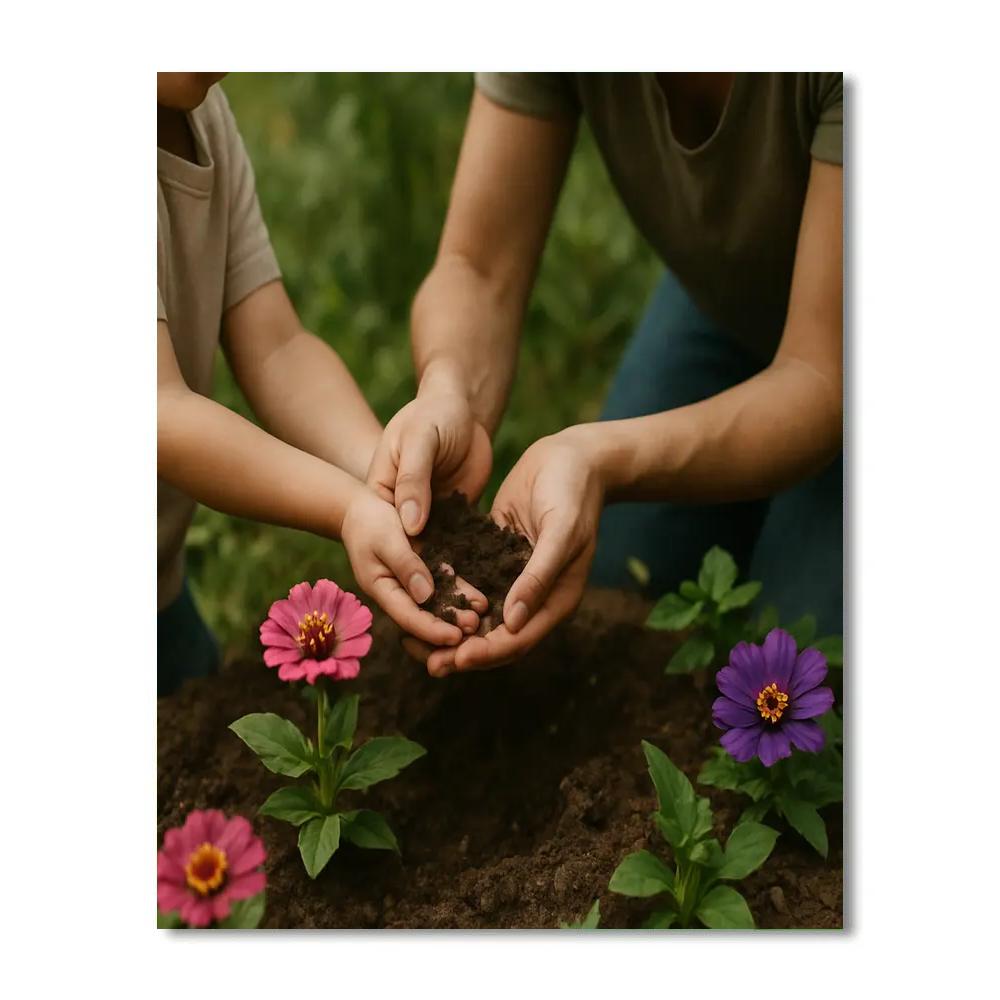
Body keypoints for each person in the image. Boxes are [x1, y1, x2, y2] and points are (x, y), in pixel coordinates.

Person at [368, 72, 843, 677]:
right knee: (618, 586)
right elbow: (478, 267)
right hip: (734, 296)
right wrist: (448, 387)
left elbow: (821, 378)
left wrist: (603, 460)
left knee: (801, 680)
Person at [156, 73, 484, 695]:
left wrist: (382, 477)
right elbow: (159, 410)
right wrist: (346, 509)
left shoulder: (203, 116)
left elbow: (277, 347)